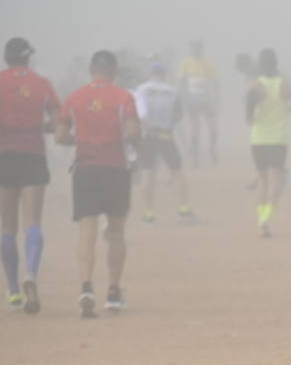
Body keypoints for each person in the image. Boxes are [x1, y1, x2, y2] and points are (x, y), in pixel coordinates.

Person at [0, 38, 60, 312]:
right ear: (28, 58)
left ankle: (13, 290)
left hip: (4, 156)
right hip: (33, 155)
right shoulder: (41, 83)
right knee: (33, 221)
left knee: (7, 226)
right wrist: (43, 126)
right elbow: (59, 120)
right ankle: (31, 274)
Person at [57, 50, 140, 318]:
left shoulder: (74, 98)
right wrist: (131, 144)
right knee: (116, 232)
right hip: (115, 169)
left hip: (85, 170)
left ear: (91, 69)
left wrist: (77, 140)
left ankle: (85, 287)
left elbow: (60, 135)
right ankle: (114, 292)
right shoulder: (123, 97)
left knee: (87, 231)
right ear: (114, 70)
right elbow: (133, 131)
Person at [246, 48, 291, 237]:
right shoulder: (284, 85)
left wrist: (255, 116)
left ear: (260, 64)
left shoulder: (256, 86)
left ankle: (260, 220)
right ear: (276, 63)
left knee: (262, 181)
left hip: (258, 139)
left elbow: (248, 115)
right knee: (276, 180)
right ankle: (267, 218)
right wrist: (287, 109)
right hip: (278, 139)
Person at [132, 62, 193, 224]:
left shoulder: (141, 90)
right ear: (164, 75)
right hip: (166, 135)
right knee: (178, 172)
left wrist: (146, 129)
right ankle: (184, 208)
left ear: (150, 74)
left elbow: (140, 114)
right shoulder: (172, 91)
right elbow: (178, 116)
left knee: (147, 173)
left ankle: (149, 213)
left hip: (148, 136)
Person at [178, 41, 218, 167]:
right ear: (191, 49)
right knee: (195, 131)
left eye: (198, 48)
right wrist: (183, 99)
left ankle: (212, 149)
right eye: (194, 48)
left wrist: (217, 98)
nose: (196, 51)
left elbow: (215, 82)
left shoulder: (208, 64)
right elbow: (182, 82)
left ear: (202, 49)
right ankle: (195, 159)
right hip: (192, 101)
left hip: (207, 100)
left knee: (213, 129)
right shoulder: (185, 63)